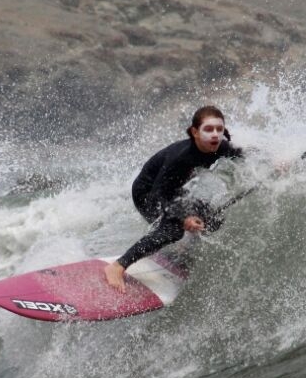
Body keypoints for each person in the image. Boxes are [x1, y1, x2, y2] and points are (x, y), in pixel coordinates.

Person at [104, 106, 244, 292]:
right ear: (195, 132)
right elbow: (158, 195)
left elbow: (245, 154)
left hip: (174, 192)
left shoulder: (220, 147)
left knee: (213, 219)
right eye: (209, 129)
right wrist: (183, 218)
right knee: (172, 231)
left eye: (219, 129)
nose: (215, 134)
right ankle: (118, 266)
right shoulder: (180, 158)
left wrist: (274, 162)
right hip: (147, 195)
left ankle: (183, 250)